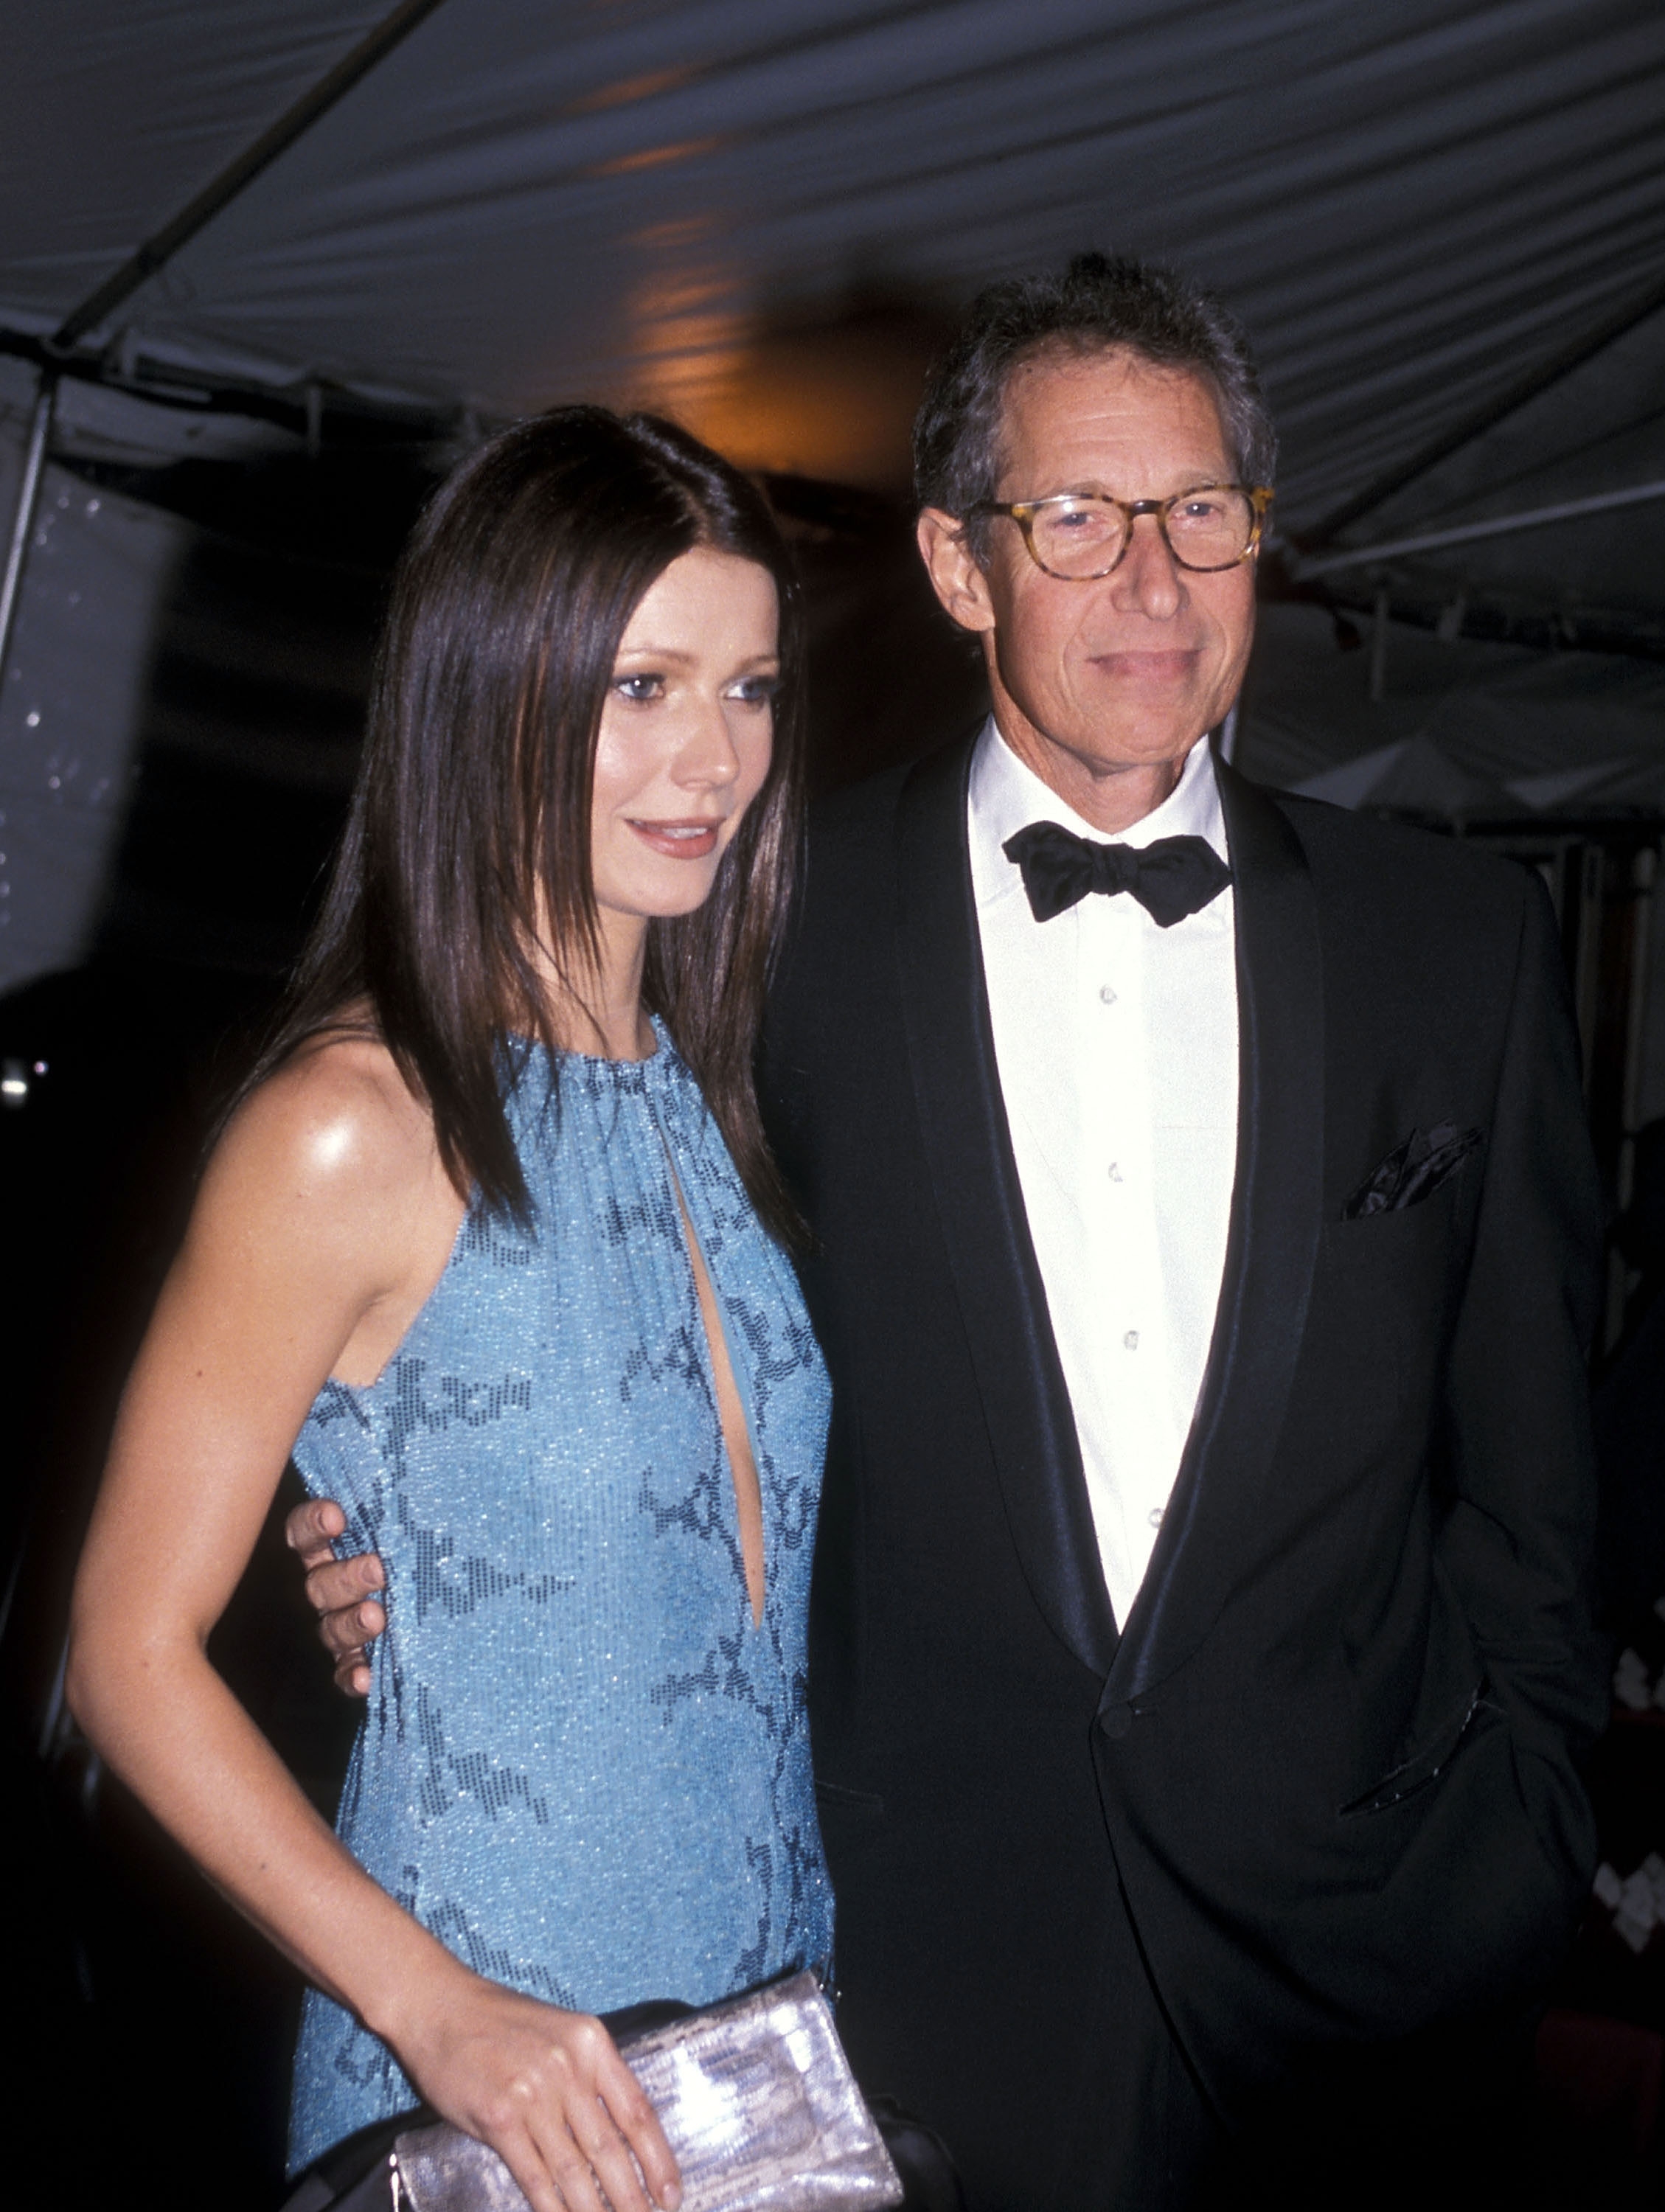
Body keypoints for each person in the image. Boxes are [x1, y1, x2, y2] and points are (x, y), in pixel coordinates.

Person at [295, 257, 1608, 2209]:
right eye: (1073, 520)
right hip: (908, 1991)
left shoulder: (1461, 948)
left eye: (1202, 516)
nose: (1150, 586)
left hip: (1370, 1993)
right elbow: (569, 1309)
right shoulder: (757, 932)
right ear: (955, 562)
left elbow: (1537, 1490)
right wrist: (405, 1550)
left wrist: (1518, 1845)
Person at [66, 406, 835, 2212]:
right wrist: (440, 2013)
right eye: (640, 687)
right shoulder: (348, 1124)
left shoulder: (706, 1102)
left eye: (750, 688)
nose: (710, 756)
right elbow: (124, 1649)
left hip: (759, 2058)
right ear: (491, 695)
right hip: (484, 2095)